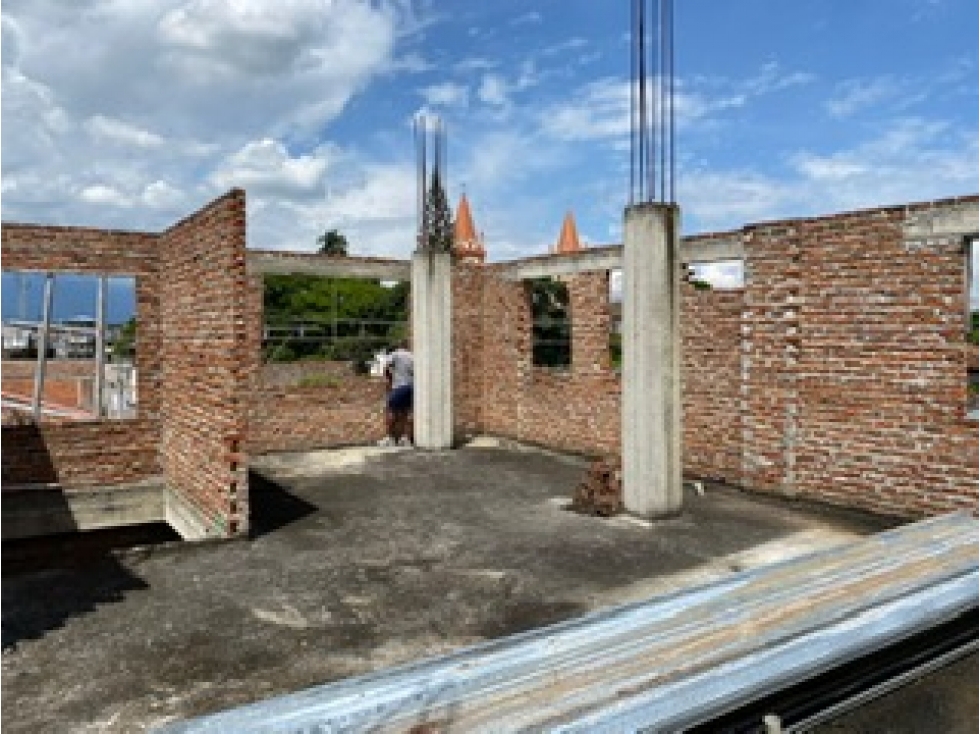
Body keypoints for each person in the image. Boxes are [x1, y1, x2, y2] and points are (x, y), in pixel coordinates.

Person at [379, 340, 413, 447]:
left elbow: (385, 365)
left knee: (391, 412)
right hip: (410, 387)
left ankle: (390, 438)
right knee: (405, 413)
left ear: (399, 346)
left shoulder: (396, 354)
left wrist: (389, 378)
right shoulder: (412, 356)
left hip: (398, 387)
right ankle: (405, 438)